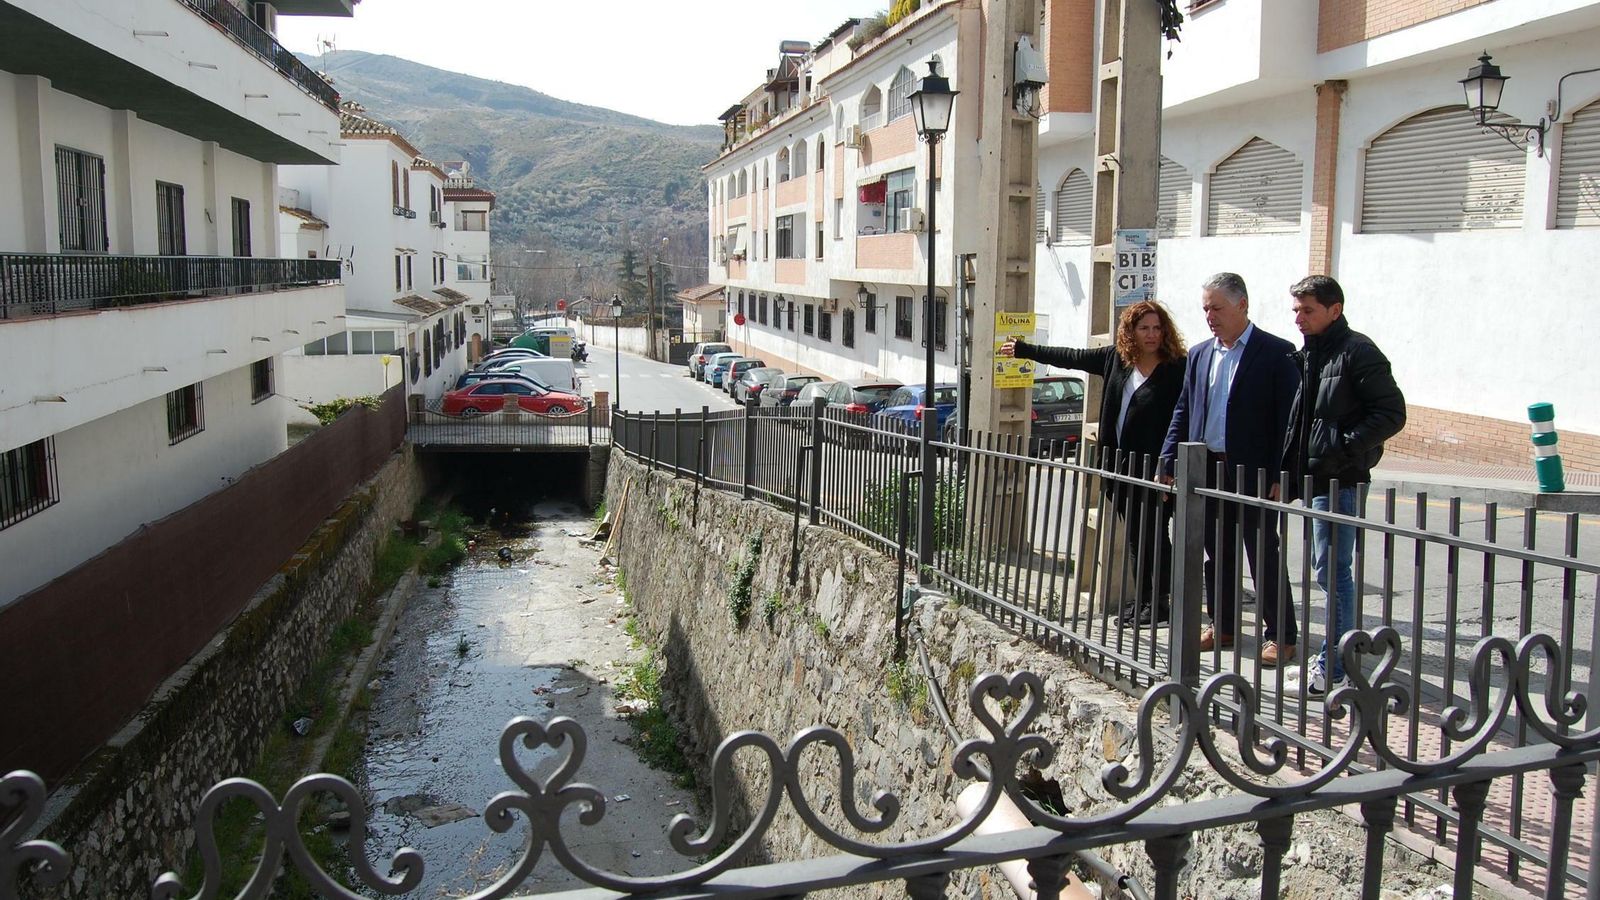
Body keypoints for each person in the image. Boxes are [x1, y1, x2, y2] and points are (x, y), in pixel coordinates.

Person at [1000, 300, 1188, 626]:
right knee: (1134, 535)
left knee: (1156, 535)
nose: (1152, 335)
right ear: (1131, 331)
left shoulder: (1176, 367)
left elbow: (1183, 418)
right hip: (1120, 466)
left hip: (1157, 468)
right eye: (1144, 328)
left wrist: (1169, 466)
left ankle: (1161, 603)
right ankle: (1142, 600)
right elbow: (1071, 357)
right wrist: (1025, 349)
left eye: (1157, 328)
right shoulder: (1116, 360)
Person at [1159, 273, 1299, 667]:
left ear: (1242, 305)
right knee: (1215, 553)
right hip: (1209, 469)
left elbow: (1288, 421)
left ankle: (1282, 636)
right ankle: (1222, 625)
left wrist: (1280, 474)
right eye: (1205, 308)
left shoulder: (1276, 353)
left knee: (1262, 553)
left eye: (1217, 308)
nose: (1210, 316)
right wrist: (1168, 460)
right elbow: (1184, 410)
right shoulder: (1201, 354)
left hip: (1253, 471)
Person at [1279, 275, 1406, 697]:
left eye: (1308, 310)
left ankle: (1335, 668)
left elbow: (1391, 413)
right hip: (1319, 478)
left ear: (1334, 310)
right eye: (1296, 309)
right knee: (1326, 573)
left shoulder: (1357, 351)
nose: (1299, 318)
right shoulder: (1314, 353)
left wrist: (1343, 448)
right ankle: (1331, 660)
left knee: (1334, 575)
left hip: (1342, 480)